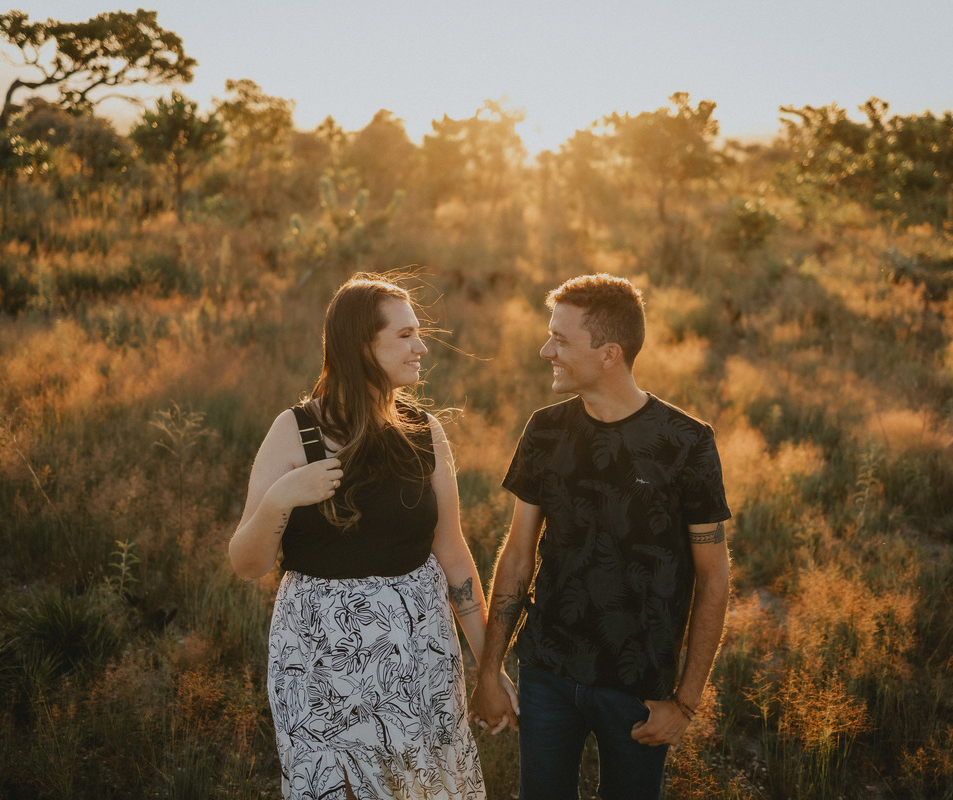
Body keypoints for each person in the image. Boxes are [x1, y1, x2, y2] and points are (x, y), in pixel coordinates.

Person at [229, 273, 516, 800]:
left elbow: (453, 554)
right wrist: (282, 497)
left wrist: (489, 670)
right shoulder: (295, 432)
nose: (421, 347)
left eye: (418, 334)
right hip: (320, 660)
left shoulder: (425, 432)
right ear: (362, 345)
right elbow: (248, 564)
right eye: (405, 335)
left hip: (419, 651)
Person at [468, 273, 732, 799]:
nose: (546, 351)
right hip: (547, 673)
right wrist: (490, 672)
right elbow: (517, 556)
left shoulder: (686, 443)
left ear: (610, 354)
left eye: (560, 340)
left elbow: (714, 577)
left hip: (639, 691)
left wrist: (685, 703)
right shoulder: (545, 430)